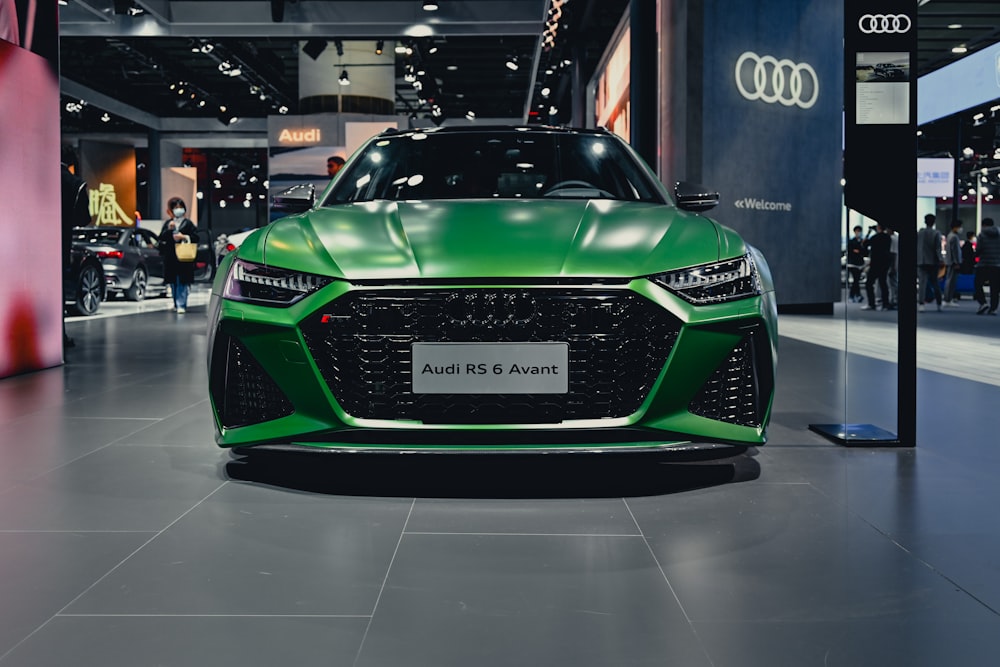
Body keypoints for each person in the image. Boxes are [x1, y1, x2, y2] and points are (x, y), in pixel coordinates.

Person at [60, 146, 91, 349]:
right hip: (60, 242)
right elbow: (83, 218)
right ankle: (58, 336)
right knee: (57, 289)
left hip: (29, 244)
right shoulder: (75, 184)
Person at [158, 196, 199, 314]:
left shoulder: (188, 223)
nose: (179, 210)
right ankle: (176, 303)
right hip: (171, 257)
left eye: (181, 207)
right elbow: (162, 238)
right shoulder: (168, 223)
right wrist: (169, 230)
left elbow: (196, 237)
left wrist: (184, 237)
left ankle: (182, 304)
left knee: (183, 281)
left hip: (184, 257)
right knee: (173, 281)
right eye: (176, 208)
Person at [916, 213, 943, 311]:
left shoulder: (920, 233)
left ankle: (921, 303)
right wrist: (940, 260)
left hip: (921, 261)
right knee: (935, 283)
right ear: (934, 222)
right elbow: (937, 249)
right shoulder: (936, 233)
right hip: (933, 261)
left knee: (922, 283)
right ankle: (939, 304)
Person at [863, 223, 892, 310]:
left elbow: (864, 244)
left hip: (875, 263)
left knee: (869, 283)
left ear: (878, 227)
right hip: (885, 263)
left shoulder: (875, 237)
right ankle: (885, 304)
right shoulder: (888, 237)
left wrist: (869, 232)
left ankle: (871, 304)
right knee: (883, 283)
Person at [974, 217, 1000, 315]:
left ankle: (983, 302)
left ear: (984, 225)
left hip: (984, 264)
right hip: (997, 265)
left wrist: (975, 256)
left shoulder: (982, 235)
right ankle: (993, 308)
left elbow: (979, 249)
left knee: (978, 284)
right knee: (995, 288)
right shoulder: (999, 234)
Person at [943, 219, 963, 306]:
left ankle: (948, 299)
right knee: (951, 281)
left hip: (950, 261)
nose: (961, 228)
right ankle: (948, 299)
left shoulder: (950, 236)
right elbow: (955, 251)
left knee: (950, 280)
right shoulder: (954, 237)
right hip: (953, 262)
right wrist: (957, 261)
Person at [846, 225, 866, 302]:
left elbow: (864, 252)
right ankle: (854, 295)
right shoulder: (852, 241)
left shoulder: (862, 241)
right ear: (854, 232)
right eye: (857, 231)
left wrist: (858, 250)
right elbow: (851, 251)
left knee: (856, 280)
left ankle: (856, 295)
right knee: (856, 279)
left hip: (860, 263)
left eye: (859, 231)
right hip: (853, 264)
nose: (859, 232)